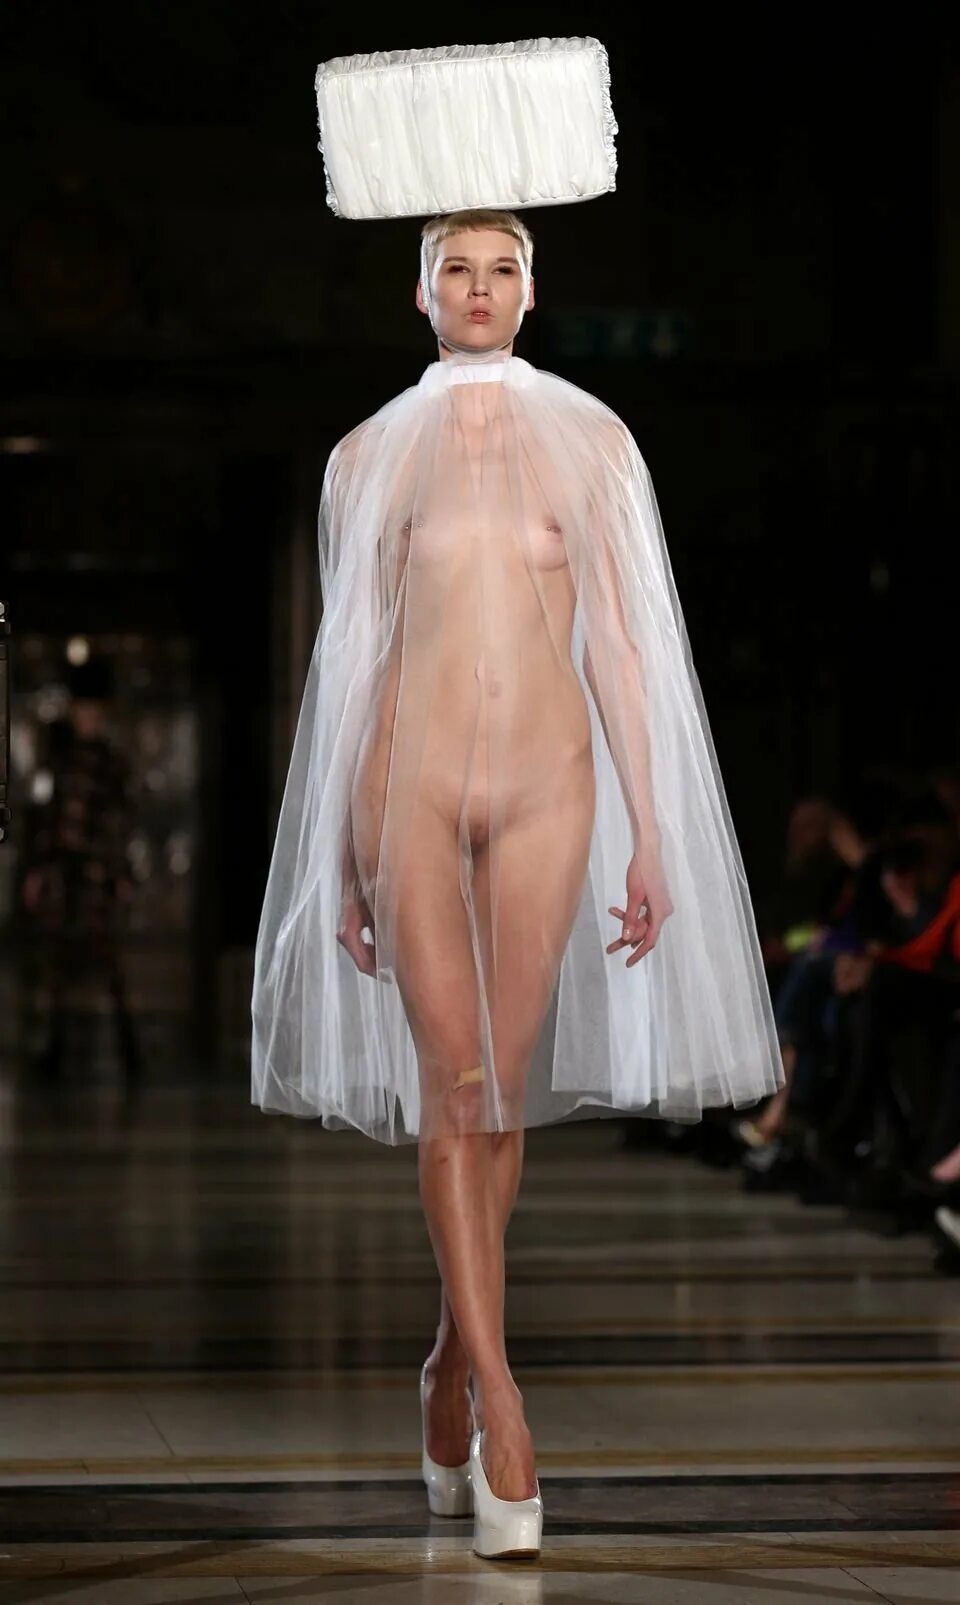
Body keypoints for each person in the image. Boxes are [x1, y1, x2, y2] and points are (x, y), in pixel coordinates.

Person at [251, 207, 783, 1552]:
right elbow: (352, 660)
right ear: (420, 291)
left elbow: (622, 648)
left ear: (533, 293)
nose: (479, 290)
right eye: (457, 270)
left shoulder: (594, 441)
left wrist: (651, 832)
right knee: (456, 1085)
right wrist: (340, 859)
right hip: (408, 789)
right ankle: (500, 1399)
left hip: (552, 788)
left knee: (496, 1086)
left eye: (502, 271)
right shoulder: (368, 455)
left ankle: (447, 1356)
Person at [20, 656, 141, 1084]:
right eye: (82, 711)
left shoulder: (111, 766)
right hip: (62, 876)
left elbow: (120, 823)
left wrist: (120, 873)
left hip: (96, 878)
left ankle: (128, 1050)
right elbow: (44, 818)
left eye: (93, 712)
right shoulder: (59, 762)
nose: (87, 719)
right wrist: (38, 870)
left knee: (108, 966)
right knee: (56, 966)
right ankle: (54, 1049)